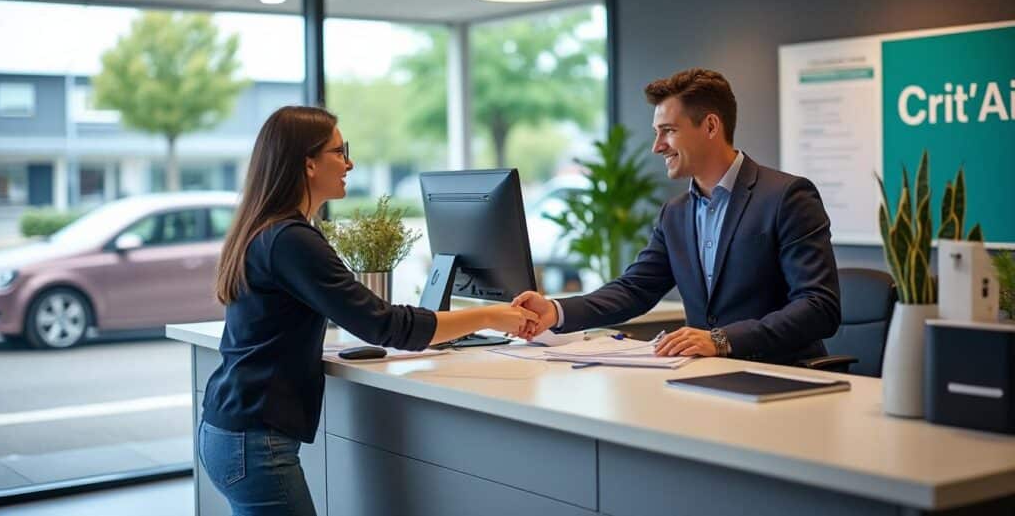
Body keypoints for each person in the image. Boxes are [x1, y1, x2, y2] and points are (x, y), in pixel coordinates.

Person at [199, 106, 538, 516]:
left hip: (231, 431)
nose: (349, 162)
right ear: (308, 163)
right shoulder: (291, 240)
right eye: (339, 151)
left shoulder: (268, 230)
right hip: (254, 443)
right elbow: (384, 325)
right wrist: (490, 315)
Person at [514, 68, 840, 365]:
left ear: (711, 126)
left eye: (668, 131)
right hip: (701, 376)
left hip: (780, 374)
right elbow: (634, 289)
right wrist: (555, 310)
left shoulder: (786, 197)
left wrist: (722, 340)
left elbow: (818, 307)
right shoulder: (676, 212)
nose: (657, 146)